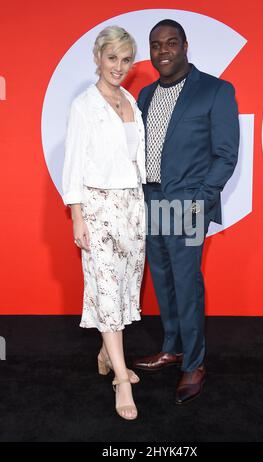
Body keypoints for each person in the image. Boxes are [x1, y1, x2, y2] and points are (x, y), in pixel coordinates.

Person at [133, 19, 240, 404]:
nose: (163, 51)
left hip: (187, 202)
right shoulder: (144, 95)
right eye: (156, 44)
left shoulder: (214, 90)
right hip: (151, 199)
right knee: (163, 281)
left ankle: (194, 363)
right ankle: (172, 348)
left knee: (187, 284)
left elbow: (226, 154)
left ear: (185, 45)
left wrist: (202, 197)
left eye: (171, 43)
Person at [62, 26, 146, 420]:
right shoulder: (84, 105)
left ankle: (106, 354)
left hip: (133, 205)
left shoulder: (130, 99)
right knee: (108, 290)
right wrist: (77, 215)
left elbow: (134, 161)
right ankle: (122, 382)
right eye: (112, 58)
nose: (119, 67)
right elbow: (73, 163)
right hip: (98, 205)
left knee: (127, 286)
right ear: (97, 57)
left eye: (126, 59)